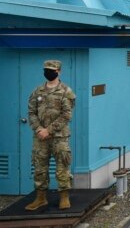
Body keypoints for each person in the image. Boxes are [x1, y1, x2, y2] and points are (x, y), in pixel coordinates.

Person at [25, 60, 76, 211]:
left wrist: (49, 130)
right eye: (46, 70)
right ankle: (40, 198)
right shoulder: (37, 91)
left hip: (59, 136)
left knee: (62, 166)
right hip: (40, 137)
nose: (48, 72)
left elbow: (66, 115)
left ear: (59, 71)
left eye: (51, 70)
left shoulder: (66, 91)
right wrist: (39, 129)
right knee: (39, 167)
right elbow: (31, 112)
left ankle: (64, 197)